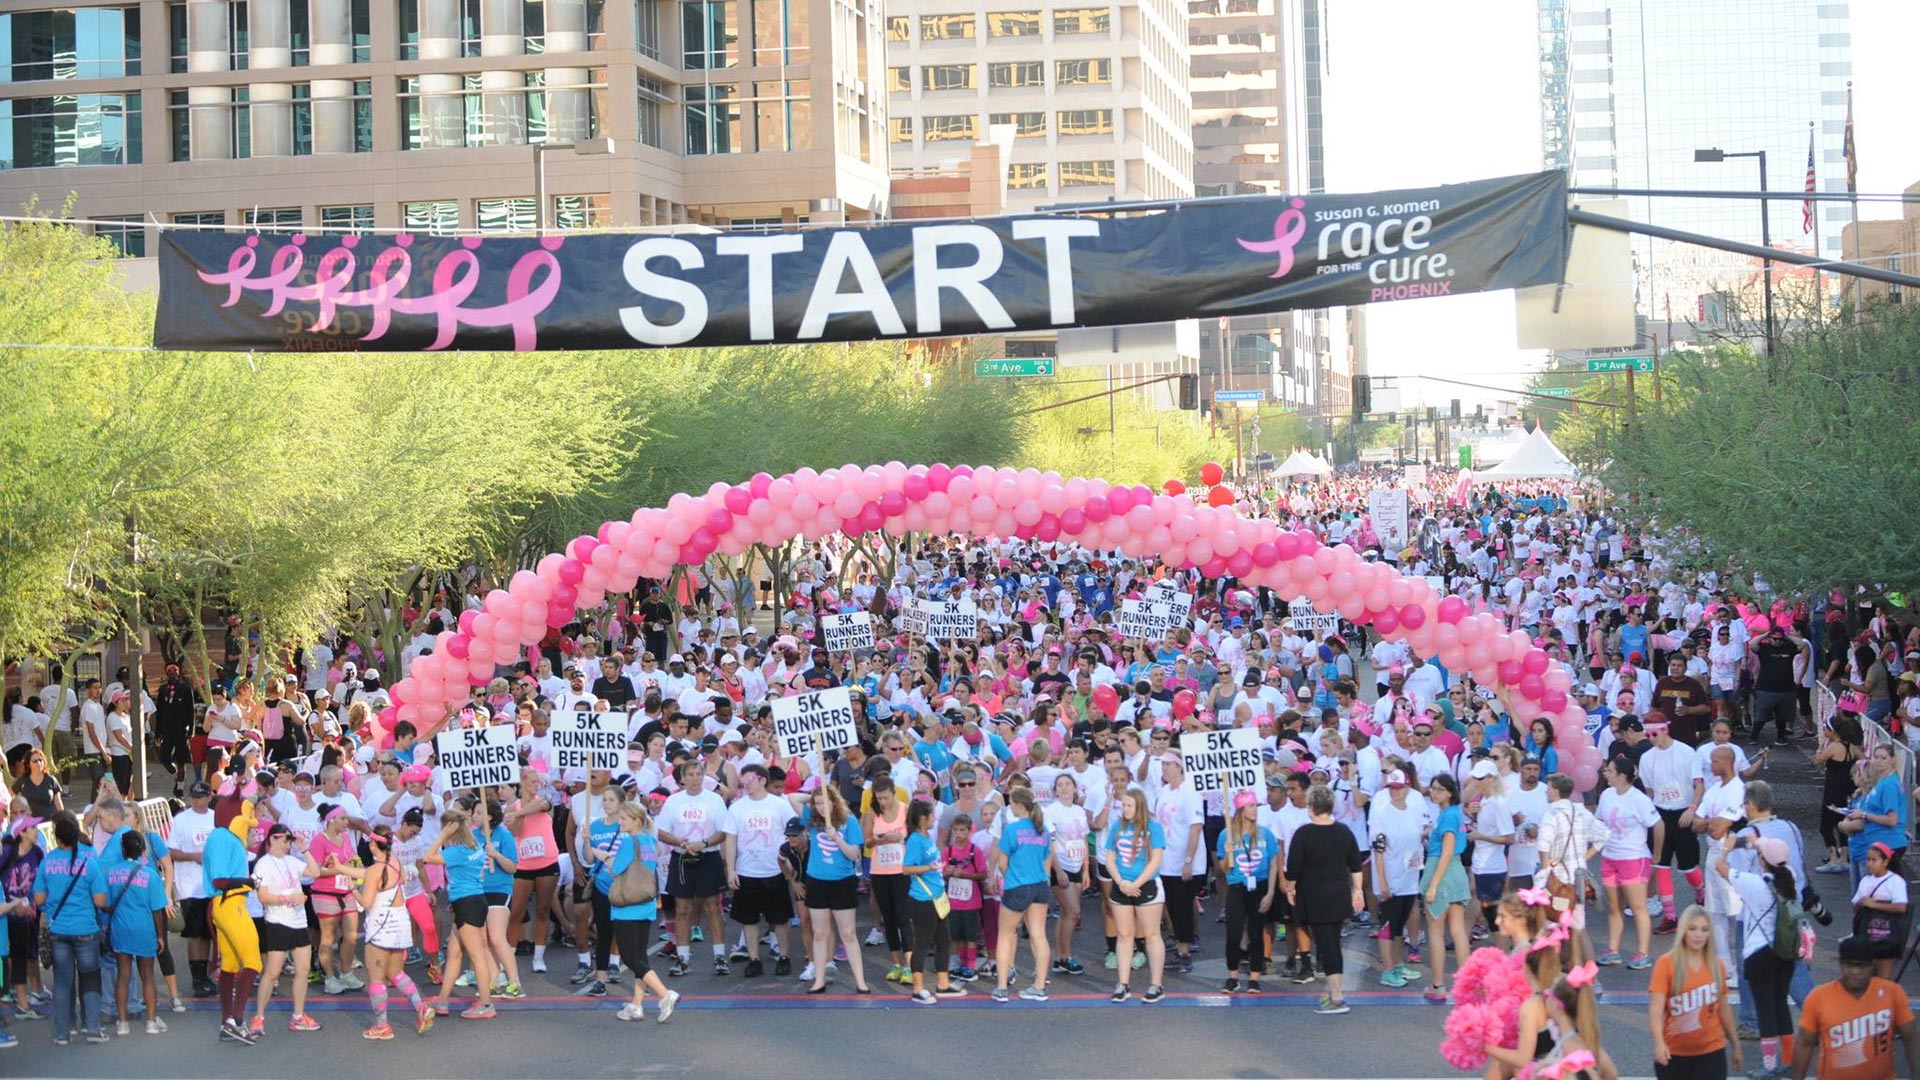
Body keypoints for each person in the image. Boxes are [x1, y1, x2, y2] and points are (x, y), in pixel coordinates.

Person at [330, 825, 432, 1039]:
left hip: (381, 926)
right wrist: (340, 867)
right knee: (396, 973)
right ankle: (420, 1006)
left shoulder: (376, 870)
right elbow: (369, 874)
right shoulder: (395, 863)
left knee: (376, 978)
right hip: (400, 923)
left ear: (374, 845)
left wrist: (352, 890)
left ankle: (382, 1026)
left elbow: (367, 900)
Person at [1717, 832, 1798, 1076]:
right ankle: (1788, 1059)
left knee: (1765, 1010)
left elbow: (1720, 867)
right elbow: (1775, 859)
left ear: (1762, 859)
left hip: (1759, 953)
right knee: (1780, 1005)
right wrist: (1760, 848)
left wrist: (1727, 848)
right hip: (1785, 951)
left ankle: (1770, 1066)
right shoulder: (1789, 877)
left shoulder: (1753, 883)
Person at [1792, 936, 1920, 1080]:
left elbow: (1910, 1035)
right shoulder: (1818, 998)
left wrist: (1917, 1074)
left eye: (1861, 965)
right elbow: (1804, 1043)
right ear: (1840, 964)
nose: (1854, 971)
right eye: (1849, 965)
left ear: (1872, 965)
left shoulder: (1893, 993)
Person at [1285, 783, 1364, 1015]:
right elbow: (1356, 865)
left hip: (1314, 895)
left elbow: (1293, 868)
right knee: (1333, 944)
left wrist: (1290, 888)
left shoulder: (1304, 833)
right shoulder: (1344, 832)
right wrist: (1357, 891)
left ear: (1311, 806)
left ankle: (1337, 995)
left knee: (1327, 944)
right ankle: (1334, 991)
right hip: (1338, 893)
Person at [604, 801, 679, 1023]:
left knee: (629, 957)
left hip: (627, 906)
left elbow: (616, 869)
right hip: (645, 904)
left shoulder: (629, 843)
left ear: (636, 819)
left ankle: (665, 994)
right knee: (640, 957)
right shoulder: (649, 840)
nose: (621, 822)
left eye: (624, 818)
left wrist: (606, 858)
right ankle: (636, 1005)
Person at [423, 807, 499, 1020]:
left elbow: (429, 857)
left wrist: (442, 836)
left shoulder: (457, 851)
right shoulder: (473, 844)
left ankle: (486, 1004)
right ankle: (442, 1000)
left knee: (477, 955)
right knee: (454, 953)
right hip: (472, 900)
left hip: (467, 903)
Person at [1649, 903, 1741, 1080]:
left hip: (1711, 1051)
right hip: (1674, 1052)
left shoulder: (1717, 965)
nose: (1698, 935)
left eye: (1704, 929)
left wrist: (1735, 1044)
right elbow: (1656, 1010)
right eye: (1692, 929)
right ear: (1683, 930)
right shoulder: (1666, 964)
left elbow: (1724, 1009)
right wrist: (1659, 1044)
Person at [36, 812, 106, 1045]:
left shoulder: (47, 861)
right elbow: (100, 901)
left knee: (62, 981)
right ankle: (93, 1028)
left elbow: (37, 899)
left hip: (59, 929)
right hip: (85, 928)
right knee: (90, 977)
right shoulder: (89, 861)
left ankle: (63, 1032)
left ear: (56, 838)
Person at [246, 823, 320, 1033]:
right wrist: (289, 897)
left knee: (303, 970)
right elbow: (263, 896)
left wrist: (304, 849)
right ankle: (259, 1016)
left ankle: (298, 1015)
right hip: (278, 922)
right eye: (285, 839)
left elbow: (314, 872)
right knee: (272, 972)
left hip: (298, 921)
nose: (288, 844)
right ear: (273, 839)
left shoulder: (292, 861)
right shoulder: (264, 864)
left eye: (289, 839)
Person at [799, 784, 870, 994]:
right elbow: (793, 798)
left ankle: (860, 981)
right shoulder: (812, 820)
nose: (820, 807)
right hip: (817, 881)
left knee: (848, 933)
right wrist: (812, 795)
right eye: (817, 803)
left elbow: (853, 854)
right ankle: (819, 980)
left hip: (842, 881)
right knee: (820, 933)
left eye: (824, 802)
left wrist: (837, 838)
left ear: (834, 801)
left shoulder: (849, 821)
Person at [96, 827, 165, 1037]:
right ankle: (151, 1022)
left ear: (122, 849)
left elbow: (105, 903)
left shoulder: (112, 874)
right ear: (142, 849)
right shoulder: (150, 875)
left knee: (123, 975)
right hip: (144, 929)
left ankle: (122, 1022)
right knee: (148, 976)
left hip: (120, 928)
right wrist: (160, 936)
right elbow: (157, 910)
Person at [1101, 785, 1166, 1003]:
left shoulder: (1153, 827)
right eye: (1123, 805)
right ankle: (1123, 983)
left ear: (1139, 806)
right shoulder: (1118, 827)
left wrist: (1136, 883)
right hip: (1122, 885)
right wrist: (1120, 881)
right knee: (1124, 934)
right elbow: (1109, 857)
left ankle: (1156, 984)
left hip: (1146, 885)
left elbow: (1156, 859)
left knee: (1151, 934)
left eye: (1129, 805)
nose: (1125, 809)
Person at [1595, 758, 1661, 970]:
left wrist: (1657, 855)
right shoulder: (1606, 795)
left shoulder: (1638, 799)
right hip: (1610, 857)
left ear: (1621, 775)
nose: (1606, 773)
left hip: (1633, 858)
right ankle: (1613, 950)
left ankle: (1643, 952)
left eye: (1610, 771)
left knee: (1638, 906)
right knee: (1614, 907)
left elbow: (1658, 825)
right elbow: (1599, 823)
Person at [991, 787, 1055, 1002]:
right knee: (1039, 935)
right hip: (1039, 886)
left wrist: (1011, 878)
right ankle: (1039, 985)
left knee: (1006, 935)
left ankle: (1001, 988)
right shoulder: (1043, 830)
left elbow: (1002, 862)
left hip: (1017, 886)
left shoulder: (1012, 830)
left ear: (1019, 805)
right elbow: (1047, 858)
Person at [900, 798, 965, 1003]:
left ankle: (943, 984)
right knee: (922, 943)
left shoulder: (926, 836)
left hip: (937, 897)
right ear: (922, 818)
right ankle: (918, 989)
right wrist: (929, 868)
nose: (934, 818)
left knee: (943, 941)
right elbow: (907, 868)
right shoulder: (914, 840)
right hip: (922, 899)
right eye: (931, 815)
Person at [1215, 788, 1279, 994]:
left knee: (1256, 932)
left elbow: (1273, 864)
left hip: (1259, 886)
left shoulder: (1265, 833)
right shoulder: (1227, 833)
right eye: (1250, 805)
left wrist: (1270, 893)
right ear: (1241, 809)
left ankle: (1254, 977)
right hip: (1237, 886)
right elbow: (1222, 870)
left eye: (1255, 805)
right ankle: (1233, 976)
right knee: (1233, 932)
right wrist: (1227, 854)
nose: (1255, 809)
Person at [1419, 773, 1473, 1003]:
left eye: (1440, 789)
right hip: (1455, 872)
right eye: (1432, 788)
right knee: (1459, 931)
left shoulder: (1448, 816)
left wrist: (1433, 885)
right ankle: (1465, 985)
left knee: (1436, 933)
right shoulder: (1452, 814)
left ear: (1450, 792)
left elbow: (1447, 850)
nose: (1435, 792)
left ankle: (1439, 984)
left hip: (1443, 872)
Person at [1044, 772, 1092, 978]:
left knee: (1066, 914)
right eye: (1060, 785)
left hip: (1077, 865)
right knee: (1073, 912)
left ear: (1075, 788)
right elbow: (1050, 842)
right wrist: (1058, 870)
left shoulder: (1079, 811)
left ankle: (1060, 958)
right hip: (1061, 865)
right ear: (1055, 790)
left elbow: (1083, 840)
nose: (1064, 788)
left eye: (1068, 784)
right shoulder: (1051, 811)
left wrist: (1087, 869)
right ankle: (1066, 956)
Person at [1849, 841, 1909, 982]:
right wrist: (1860, 904)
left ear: (1885, 861)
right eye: (1868, 860)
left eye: (1874, 860)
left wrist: (1875, 904)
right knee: (1867, 976)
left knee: (1884, 978)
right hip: (1867, 935)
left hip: (1888, 936)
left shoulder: (1895, 881)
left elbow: (1901, 907)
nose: (1870, 863)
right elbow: (1855, 906)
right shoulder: (1865, 881)